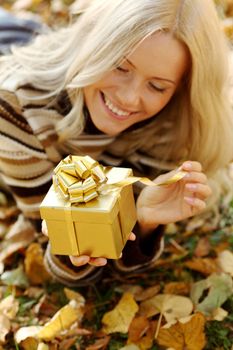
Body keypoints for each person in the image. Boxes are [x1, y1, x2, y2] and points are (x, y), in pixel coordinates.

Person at [0, 0, 232, 286]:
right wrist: (73, 240)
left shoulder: (172, 121)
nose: (129, 98)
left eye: (156, 86)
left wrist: (144, 222)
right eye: (121, 67)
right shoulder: (15, 106)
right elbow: (60, 252)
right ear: (96, 43)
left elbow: (112, 268)